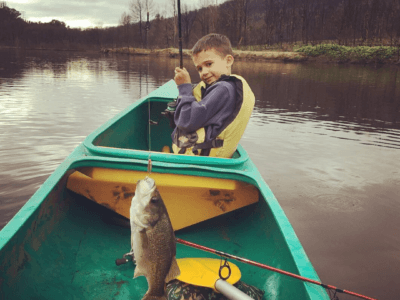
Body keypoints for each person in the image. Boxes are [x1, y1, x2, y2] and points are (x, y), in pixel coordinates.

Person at [172, 33, 255, 158]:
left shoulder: (223, 89)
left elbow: (186, 121)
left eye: (209, 64)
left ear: (228, 60)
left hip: (201, 160)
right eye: (199, 68)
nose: (204, 72)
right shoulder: (229, 87)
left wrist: (184, 87)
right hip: (213, 157)